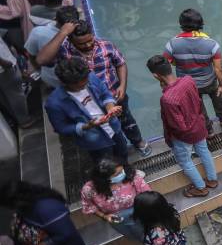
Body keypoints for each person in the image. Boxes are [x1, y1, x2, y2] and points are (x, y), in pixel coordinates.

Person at [36, 19, 152, 156]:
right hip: (88, 101)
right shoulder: (64, 51)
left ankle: (137, 141)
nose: (88, 45)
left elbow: (120, 63)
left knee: (127, 120)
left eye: (90, 40)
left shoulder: (106, 45)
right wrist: (62, 33)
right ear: (71, 40)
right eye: (82, 43)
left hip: (113, 93)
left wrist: (122, 85)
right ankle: (110, 151)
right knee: (99, 129)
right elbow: (41, 60)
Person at [146, 54, 218, 198]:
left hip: (184, 135)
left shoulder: (167, 99)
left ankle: (201, 188)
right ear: (169, 66)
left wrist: (171, 139)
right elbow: (198, 102)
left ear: (155, 75)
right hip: (199, 125)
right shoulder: (188, 80)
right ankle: (212, 180)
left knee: (185, 161)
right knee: (204, 151)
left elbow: (178, 126)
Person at [44, 56, 131, 163]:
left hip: (113, 128)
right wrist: (86, 126)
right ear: (65, 82)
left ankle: (127, 172)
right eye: (79, 83)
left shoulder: (90, 77)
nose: (85, 83)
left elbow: (105, 93)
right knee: (106, 164)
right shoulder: (54, 104)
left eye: (86, 79)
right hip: (95, 140)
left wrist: (110, 107)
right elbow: (61, 128)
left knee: (123, 152)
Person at [163, 8, 222, 133]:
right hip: (209, 81)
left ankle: (208, 131)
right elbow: (218, 69)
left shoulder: (171, 44)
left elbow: (165, 67)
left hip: (188, 86)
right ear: (200, 24)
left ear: (181, 24)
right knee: (218, 98)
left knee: (198, 108)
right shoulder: (212, 44)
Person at [80, 157, 151, 243]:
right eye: (117, 174)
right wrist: (104, 216)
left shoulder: (131, 176)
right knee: (132, 236)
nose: (122, 174)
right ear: (104, 178)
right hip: (117, 220)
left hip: (139, 213)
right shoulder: (89, 189)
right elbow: (89, 206)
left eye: (122, 171)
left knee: (147, 234)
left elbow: (147, 194)